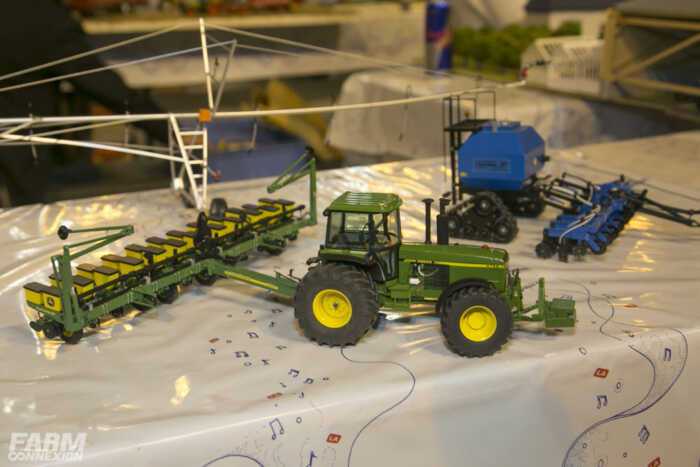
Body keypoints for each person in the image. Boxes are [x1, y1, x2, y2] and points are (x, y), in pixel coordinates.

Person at [0, 1, 169, 206]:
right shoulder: (45, 20)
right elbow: (106, 88)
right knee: (28, 213)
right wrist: (170, 131)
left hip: (16, 143)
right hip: (18, 151)